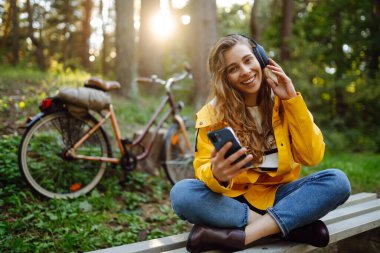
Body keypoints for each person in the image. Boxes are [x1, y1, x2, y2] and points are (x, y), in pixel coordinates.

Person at [170, 34, 351, 253]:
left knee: (337, 181)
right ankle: (285, 227)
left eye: (248, 60)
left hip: (279, 196)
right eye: (233, 69)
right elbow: (203, 168)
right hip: (233, 201)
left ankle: (245, 236)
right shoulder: (212, 114)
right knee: (181, 193)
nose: (245, 71)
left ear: (261, 58)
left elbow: (312, 156)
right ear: (224, 77)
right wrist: (217, 174)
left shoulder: (285, 102)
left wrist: (291, 99)